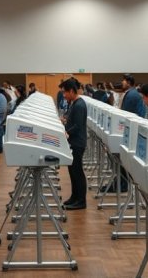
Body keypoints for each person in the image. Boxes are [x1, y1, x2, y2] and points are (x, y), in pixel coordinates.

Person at [61, 79, 88, 210]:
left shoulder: (79, 105)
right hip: (74, 142)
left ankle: (81, 200)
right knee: (72, 171)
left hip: (77, 143)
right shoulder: (75, 103)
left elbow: (77, 126)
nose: (64, 95)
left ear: (71, 91)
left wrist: (66, 132)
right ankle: (74, 196)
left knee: (77, 172)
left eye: (65, 92)